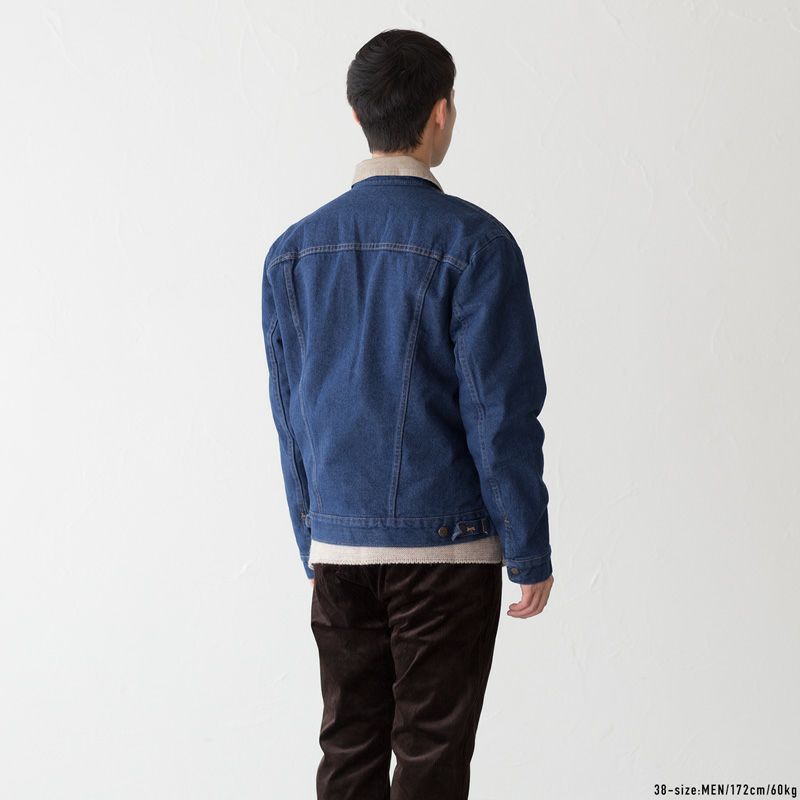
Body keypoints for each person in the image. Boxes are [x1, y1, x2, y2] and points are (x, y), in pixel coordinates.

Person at [261, 28, 554, 800]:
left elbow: (292, 416)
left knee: (347, 751)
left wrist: (314, 536)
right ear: (440, 114)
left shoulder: (291, 252)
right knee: (432, 761)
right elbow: (501, 412)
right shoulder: (478, 244)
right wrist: (528, 547)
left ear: (357, 116)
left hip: (340, 546)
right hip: (446, 553)